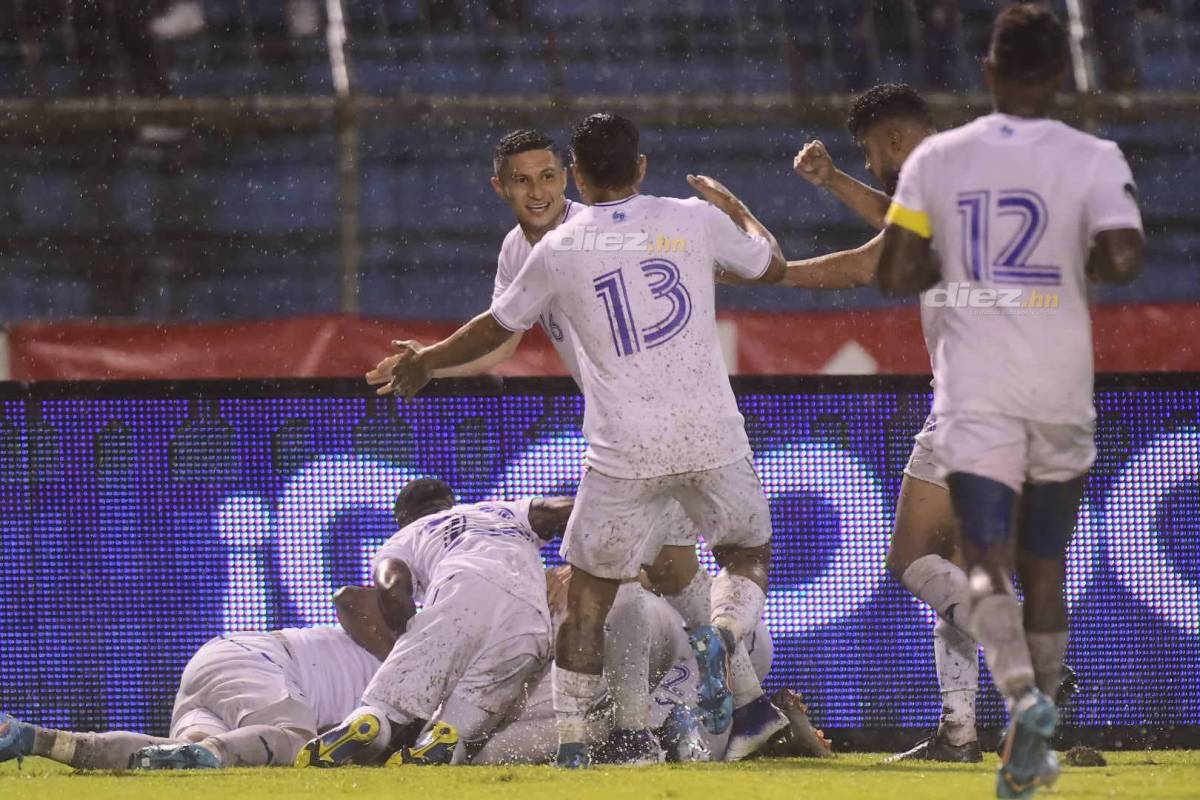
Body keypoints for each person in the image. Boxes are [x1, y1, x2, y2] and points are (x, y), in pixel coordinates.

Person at [373, 112, 789, 768]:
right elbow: (504, 336)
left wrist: (430, 359)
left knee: (620, 579)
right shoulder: (522, 250)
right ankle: (747, 707)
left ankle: (619, 733)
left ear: (570, 175)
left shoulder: (577, 236)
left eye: (547, 176)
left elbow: (496, 326)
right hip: (670, 431)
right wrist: (435, 360)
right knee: (674, 569)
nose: (537, 191)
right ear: (500, 188)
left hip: (637, 437)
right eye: (521, 181)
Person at [875, 5, 1142, 798]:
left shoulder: (938, 162)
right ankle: (1034, 706)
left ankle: (1028, 702)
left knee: (980, 564)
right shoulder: (1095, 155)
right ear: (1060, 75)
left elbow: (893, 273)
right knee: (1044, 564)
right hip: (1061, 387)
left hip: (979, 392)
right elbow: (1124, 259)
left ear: (985, 71)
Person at [296, 479, 574, 767]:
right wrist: (578, 561)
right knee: (464, 727)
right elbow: (567, 508)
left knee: (387, 707)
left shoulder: (405, 537)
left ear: (402, 518)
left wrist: (411, 637)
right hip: (530, 617)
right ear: (450, 502)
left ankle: (370, 721)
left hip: (458, 594)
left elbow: (392, 591)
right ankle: (445, 741)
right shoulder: (503, 510)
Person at [0, 615, 384, 770]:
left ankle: (35, 739)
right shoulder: (413, 638)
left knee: (170, 763)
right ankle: (212, 750)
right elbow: (350, 596)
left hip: (222, 667)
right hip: (260, 662)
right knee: (298, 742)